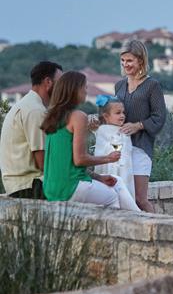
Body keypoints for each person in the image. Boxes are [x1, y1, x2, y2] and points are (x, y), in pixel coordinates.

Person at [41, 71, 123, 207]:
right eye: (84, 87)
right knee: (113, 197)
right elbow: (79, 160)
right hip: (71, 187)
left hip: (50, 189)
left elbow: (66, 163)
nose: (86, 91)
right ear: (74, 90)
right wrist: (108, 158)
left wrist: (99, 177)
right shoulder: (78, 116)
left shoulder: (51, 118)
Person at [115, 40, 166, 212]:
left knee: (140, 199)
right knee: (123, 197)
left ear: (141, 60)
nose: (125, 64)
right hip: (121, 147)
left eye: (129, 60)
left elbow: (159, 117)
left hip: (141, 147)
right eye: (123, 60)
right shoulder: (119, 85)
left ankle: (158, 227)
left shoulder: (152, 85)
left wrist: (138, 125)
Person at [0, 61, 62, 198]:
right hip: (30, 187)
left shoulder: (28, 104)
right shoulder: (35, 111)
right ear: (48, 82)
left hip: (19, 185)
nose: (62, 89)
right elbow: (43, 163)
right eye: (60, 83)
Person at [92, 94, 140, 211]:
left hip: (125, 170)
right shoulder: (104, 131)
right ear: (106, 116)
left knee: (127, 193)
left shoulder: (123, 130)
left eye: (123, 112)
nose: (122, 116)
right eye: (118, 113)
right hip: (112, 170)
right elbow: (104, 151)